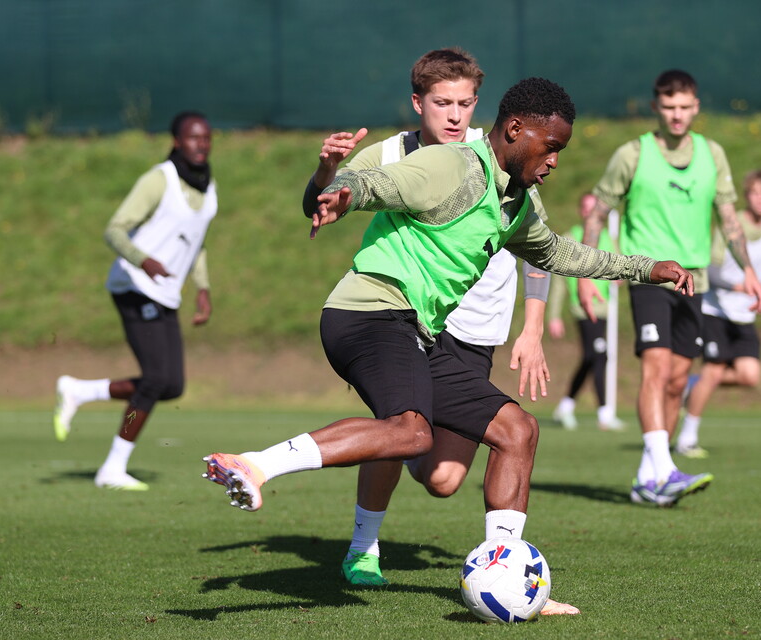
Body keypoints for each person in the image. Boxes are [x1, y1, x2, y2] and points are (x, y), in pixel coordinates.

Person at [203, 78, 693, 607]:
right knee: (411, 432)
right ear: (515, 129)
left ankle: (507, 576)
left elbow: (561, 254)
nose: (554, 161)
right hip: (368, 312)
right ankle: (256, 464)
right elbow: (376, 187)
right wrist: (340, 191)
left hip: (413, 330)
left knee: (517, 430)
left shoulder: (515, 206)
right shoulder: (454, 166)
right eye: (551, 147)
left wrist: (647, 269)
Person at [302, 49, 558, 605]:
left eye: (466, 104)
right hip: (406, 316)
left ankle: (502, 570)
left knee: (441, 479)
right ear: (419, 103)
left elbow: (540, 246)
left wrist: (532, 326)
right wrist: (327, 179)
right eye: (443, 103)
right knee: (400, 424)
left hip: (476, 328)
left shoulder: (501, 155)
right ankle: (363, 546)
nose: (455, 116)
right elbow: (329, 195)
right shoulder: (392, 154)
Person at [577, 69, 761, 507]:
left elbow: (729, 217)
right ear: (656, 108)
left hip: (693, 280)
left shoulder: (711, 154)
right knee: (656, 368)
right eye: (669, 107)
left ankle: (648, 480)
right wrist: (587, 275)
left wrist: (749, 269)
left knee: (678, 381)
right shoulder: (632, 154)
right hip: (649, 275)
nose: (677, 116)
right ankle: (665, 471)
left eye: (684, 107)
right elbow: (597, 213)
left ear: (696, 107)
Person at [53, 111, 217, 490]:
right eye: (193, 138)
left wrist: (203, 288)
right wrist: (143, 259)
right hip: (133, 286)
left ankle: (80, 391)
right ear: (177, 141)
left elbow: (197, 240)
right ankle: (113, 467)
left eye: (207, 138)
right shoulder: (160, 179)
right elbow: (114, 229)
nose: (201, 144)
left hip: (166, 293)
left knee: (172, 386)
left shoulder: (208, 187)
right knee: (156, 379)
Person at [676, 168, 761, 457]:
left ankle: (690, 385)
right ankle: (687, 437)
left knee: (750, 375)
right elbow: (711, 268)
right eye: (753, 193)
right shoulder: (730, 226)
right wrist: (738, 285)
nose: (759, 199)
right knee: (714, 369)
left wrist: (758, 289)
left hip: (744, 314)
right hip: (716, 309)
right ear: (746, 197)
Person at [548, 193, 625, 431]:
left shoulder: (608, 238)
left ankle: (566, 406)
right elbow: (559, 282)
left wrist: (619, 277)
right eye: (586, 207)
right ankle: (604, 413)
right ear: (581, 210)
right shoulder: (571, 238)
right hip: (583, 308)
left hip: (605, 309)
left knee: (592, 357)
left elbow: (618, 267)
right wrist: (554, 316)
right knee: (599, 356)